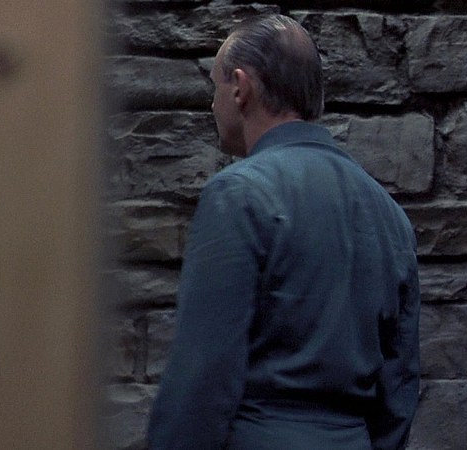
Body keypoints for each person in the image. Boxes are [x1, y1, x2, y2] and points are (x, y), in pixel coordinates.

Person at [147, 14, 420, 450]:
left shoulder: (238, 195)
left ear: (241, 87)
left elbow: (202, 375)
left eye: (215, 88)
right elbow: (399, 386)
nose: (212, 105)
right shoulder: (389, 215)